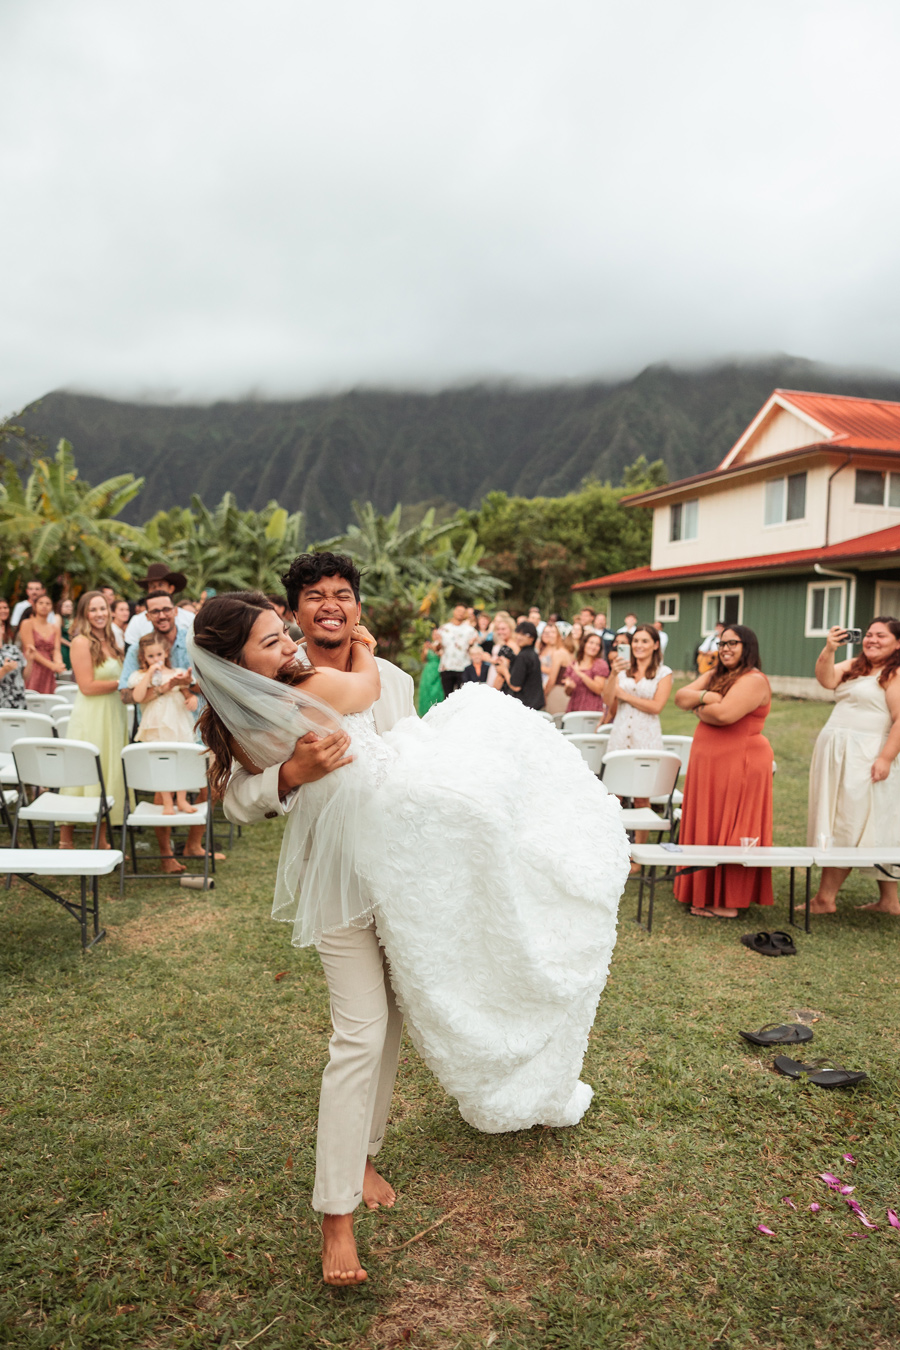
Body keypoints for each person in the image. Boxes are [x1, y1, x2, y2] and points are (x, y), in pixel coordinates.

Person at [211, 560, 628, 1287]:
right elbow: (235, 798)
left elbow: (423, 768)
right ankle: (334, 1216)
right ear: (295, 613)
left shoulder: (396, 679)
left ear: (356, 606)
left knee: (396, 1017)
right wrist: (290, 777)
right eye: (314, 599)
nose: (330, 608)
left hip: (409, 875)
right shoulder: (269, 693)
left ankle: (364, 1153)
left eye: (343, 595)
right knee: (359, 1033)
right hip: (337, 878)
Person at [673, 626, 773, 917]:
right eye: (722, 643)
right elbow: (681, 697)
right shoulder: (717, 674)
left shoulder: (754, 679)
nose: (725, 648)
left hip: (740, 762)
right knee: (709, 821)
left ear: (748, 646)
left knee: (732, 825)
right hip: (711, 764)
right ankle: (703, 889)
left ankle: (728, 900)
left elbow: (725, 715)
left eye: (733, 643)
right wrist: (708, 697)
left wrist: (700, 704)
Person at [807, 618, 900, 916]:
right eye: (869, 634)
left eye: (881, 636)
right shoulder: (856, 665)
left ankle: (825, 899)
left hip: (867, 754)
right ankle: (889, 901)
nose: (872, 640)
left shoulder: (895, 673)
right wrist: (829, 649)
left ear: (898, 643)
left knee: (848, 821)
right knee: (875, 821)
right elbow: (826, 680)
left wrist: (885, 758)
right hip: (838, 752)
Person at [119, 591, 210, 873]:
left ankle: (194, 844)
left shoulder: (193, 639)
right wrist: (165, 687)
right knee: (164, 784)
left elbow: (211, 681)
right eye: (154, 611)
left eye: (166, 609)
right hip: (160, 725)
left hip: (195, 718)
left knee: (209, 783)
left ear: (174, 611)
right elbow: (126, 695)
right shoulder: (140, 647)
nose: (161, 615)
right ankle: (166, 854)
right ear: (146, 615)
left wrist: (190, 687)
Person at [59, 592, 127, 849]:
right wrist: (123, 683)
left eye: (103, 608)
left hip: (113, 713)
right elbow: (86, 686)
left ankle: (100, 839)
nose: (99, 614)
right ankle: (66, 840)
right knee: (82, 772)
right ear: (84, 614)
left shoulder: (112, 640)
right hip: (92, 715)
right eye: (93, 610)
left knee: (109, 772)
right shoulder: (80, 642)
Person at [128, 634, 200, 816]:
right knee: (161, 763)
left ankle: (182, 799)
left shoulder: (176, 672)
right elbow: (137, 697)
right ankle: (168, 802)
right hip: (155, 724)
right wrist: (150, 673)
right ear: (143, 657)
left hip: (178, 721)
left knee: (181, 760)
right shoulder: (139, 676)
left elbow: (186, 691)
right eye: (150, 656)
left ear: (166, 653)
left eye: (159, 654)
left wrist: (191, 698)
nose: (156, 659)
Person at [123, 564, 195, 647]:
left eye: (161, 585)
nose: (156, 589)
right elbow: (131, 653)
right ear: (148, 616)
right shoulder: (137, 622)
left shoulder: (189, 618)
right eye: (152, 586)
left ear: (171, 588)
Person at [20, 594, 65, 693]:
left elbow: (56, 649)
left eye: (48, 603)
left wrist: (59, 663)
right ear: (35, 606)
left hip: (48, 669)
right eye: (41, 603)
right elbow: (30, 649)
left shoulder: (55, 628)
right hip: (31, 665)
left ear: (51, 607)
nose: (44, 606)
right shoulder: (27, 624)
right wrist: (52, 666)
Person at [496, 622, 545, 709]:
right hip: (535, 704)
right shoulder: (532, 654)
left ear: (532, 638)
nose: (519, 637)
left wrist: (504, 671)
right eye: (518, 633)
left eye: (524, 634)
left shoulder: (523, 656)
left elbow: (515, 686)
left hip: (526, 706)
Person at [437, 604, 478, 698]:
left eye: (463, 612)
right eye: (458, 611)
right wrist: (437, 644)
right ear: (454, 612)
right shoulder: (444, 628)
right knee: (447, 696)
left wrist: (472, 644)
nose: (460, 613)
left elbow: (475, 650)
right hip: (446, 666)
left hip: (463, 666)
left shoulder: (470, 630)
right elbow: (437, 648)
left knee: (462, 697)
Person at [563, 632, 610, 714]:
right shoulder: (573, 664)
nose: (594, 647)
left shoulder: (600, 664)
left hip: (592, 709)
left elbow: (599, 690)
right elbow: (567, 693)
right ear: (584, 644)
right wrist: (569, 687)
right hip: (574, 708)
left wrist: (581, 674)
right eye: (591, 643)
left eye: (597, 644)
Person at [0, 599, 27, 710]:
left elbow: (24, 676)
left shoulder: (12, 649)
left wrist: (30, 658)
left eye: (5, 607)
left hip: (17, 698)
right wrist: (4, 670)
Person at [417, 628, 444, 715]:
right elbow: (423, 659)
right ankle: (425, 711)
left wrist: (435, 649)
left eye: (437, 634)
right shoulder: (428, 646)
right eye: (434, 634)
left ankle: (437, 710)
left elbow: (442, 656)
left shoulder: (442, 645)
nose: (435, 636)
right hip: (428, 670)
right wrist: (425, 649)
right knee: (426, 690)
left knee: (437, 690)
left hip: (438, 668)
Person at [59, 597, 75, 671]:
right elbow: (57, 636)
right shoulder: (58, 618)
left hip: (69, 648)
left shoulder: (69, 620)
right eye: (67, 606)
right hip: (62, 648)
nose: (70, 608)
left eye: (71, 606)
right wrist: (69, 644)